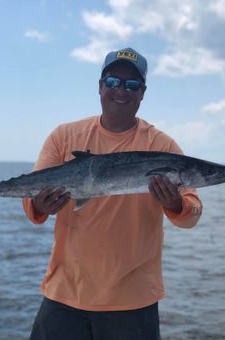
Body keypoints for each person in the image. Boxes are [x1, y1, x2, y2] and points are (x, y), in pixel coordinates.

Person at [23, 47, 202, 340]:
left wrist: (175, 202)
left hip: (133, 298)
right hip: (65, 293)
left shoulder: (163, 146)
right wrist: (40, 205)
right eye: (113, 81)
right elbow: (31, 204)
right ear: (100, 86)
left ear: (142, 92)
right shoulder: (64, 136)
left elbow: (192, 214)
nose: (121, 90)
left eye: (132, 84)